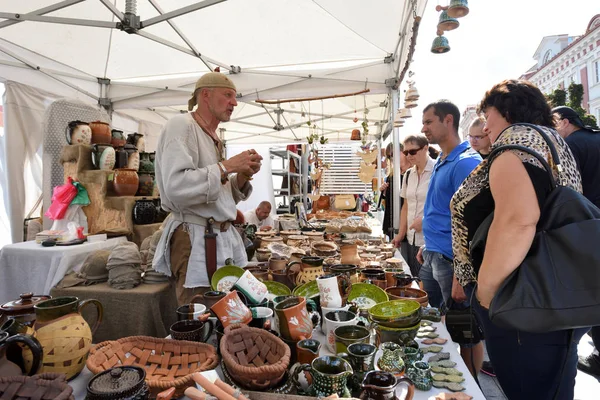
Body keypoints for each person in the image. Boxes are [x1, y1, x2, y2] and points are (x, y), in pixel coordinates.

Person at [451, 79, 587, 399]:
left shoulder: (517, 141)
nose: (485, 126)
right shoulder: (548, 140)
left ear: (507, 111)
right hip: (546, 292)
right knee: (548, 386)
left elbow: (518, 220)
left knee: (529, 387)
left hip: (520, 298)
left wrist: (485, 291)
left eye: (488, 116)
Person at [152, 72, 263, 306]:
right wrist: (228, 166)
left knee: (226, 311)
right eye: (227, 95)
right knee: (199, 313)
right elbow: (176, 186)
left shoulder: (213, 136)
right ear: (205, 95)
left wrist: (241, 176)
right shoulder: (181, 125)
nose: (234, 103)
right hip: (196, 239)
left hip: (218, 238)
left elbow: (219, 197)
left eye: (235, 97)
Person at [417, 100, 484, 377]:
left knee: (465, 328)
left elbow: (474, 222)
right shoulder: (444, 160)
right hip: (434, 253)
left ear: (448, 120)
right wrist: (427, 244)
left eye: (428, 122)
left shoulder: (466, 162)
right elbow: (440, 210)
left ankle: (472, 387)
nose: (423, 128)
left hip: (452, 260)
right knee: (435, 319)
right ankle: (447, 375)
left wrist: (461, 272)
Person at [553, 105, 600, 376]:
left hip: (587, 225)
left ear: (566, 122)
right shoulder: (596, 137)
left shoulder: (570, 145)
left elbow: (570, 192)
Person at [392, 135, 434, 278]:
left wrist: (425, 221)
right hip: (411, 238)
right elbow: (406, 206)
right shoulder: (409, 174)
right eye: (405, 152)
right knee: (414, 279)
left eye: (412, 152)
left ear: (425, 148)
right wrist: (400, 234)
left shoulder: (437, 170)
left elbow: (445, 205)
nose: (408, 156)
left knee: (427, 283)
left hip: (430, 239)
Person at [381, 142, 411, 242]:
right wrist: (385, 192)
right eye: (389, 157)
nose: (392, 158)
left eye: (393, 154)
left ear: (403, 151)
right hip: (392, 221)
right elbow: (390, 199)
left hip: (406, 222)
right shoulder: (392, 175)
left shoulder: (413, 172)